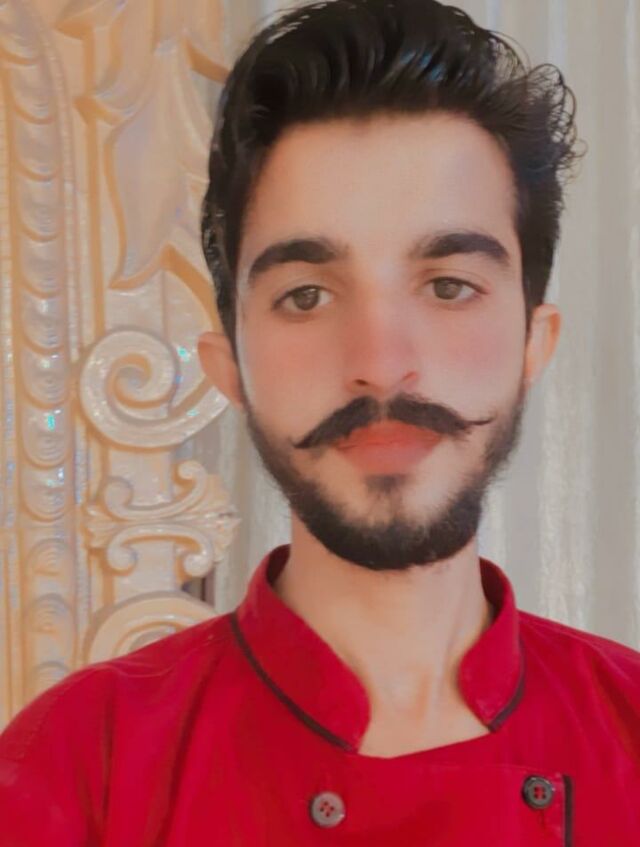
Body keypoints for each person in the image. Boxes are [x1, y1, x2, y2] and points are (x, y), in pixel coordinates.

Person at [1, 0, 639, 843]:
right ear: (229, 364)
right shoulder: (76, 764)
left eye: (449, 285)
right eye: (305, 295)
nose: (380, 361)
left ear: (533, 341)